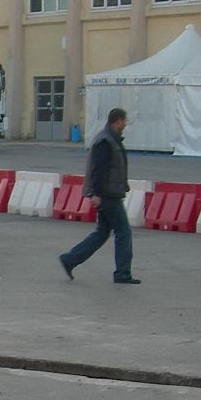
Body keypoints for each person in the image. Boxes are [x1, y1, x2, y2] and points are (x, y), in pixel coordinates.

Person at [60, 108, 139, 285]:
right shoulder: (105, 141)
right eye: (124, 121)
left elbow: (113, 168)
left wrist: (122, 184)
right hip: (107, 195)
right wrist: (95, 194)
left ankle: (70, 259)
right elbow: (98, 170)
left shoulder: (110, 139)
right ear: (118, 121)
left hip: (109, 192)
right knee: (123, 232)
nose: (125, 125)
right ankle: (122, 273)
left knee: (102, 233)